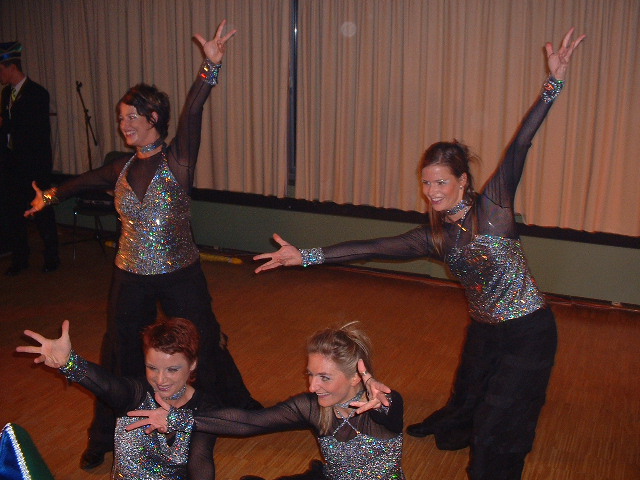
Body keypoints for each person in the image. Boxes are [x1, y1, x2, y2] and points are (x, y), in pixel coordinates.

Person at [251, 29, 585, 480]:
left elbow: (519, 145)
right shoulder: (436, 236)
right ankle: (454, 426)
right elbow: (371, 248)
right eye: (426, 183)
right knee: (469, 389)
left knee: (501, 423)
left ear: (463, 181)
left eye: (441, 182)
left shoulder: (494, 211)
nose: (432, 192)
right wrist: (305, 256)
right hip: (485, 326)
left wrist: (553, 83)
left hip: (528, 329)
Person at [24, 20, 260, 470]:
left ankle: (217, 415)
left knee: (204, 341)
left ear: (154, 119)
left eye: (132, 116)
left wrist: (209, 68)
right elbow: (80, 181)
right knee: (120, 351)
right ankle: (105, 435)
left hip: (180, 271)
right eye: (121, 117)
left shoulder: (178, 161)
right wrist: (49, 197)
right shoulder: (120, 166)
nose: (124, 124)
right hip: (130, 273)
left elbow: (193, 113)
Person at [128, 322, 405, 480]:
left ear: (355, 377)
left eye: (324, 378)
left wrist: (386, 400)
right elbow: (249, 422)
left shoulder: (382, 406)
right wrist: (177, 418)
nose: (312, 386)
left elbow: (390, 410)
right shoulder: (312, 406)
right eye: (310, 375)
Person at [16, 317, 221, 480]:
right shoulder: (135, 394)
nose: (160, 380)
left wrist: (179, 419)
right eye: (152, 367)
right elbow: (106, 385)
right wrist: (69, 362)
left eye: (172, 369)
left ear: (193, 364)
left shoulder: (203, 407)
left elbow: (201, 461)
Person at [0, 41, 59, 275]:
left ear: (11, 67)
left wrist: (6, 123)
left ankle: (52, 257)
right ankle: (20, 259)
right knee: (14, 213)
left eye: (1, 69)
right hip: (12, 165)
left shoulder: (38, 93)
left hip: (34, 165)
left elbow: (33, 131)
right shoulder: (6, 94)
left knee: (43, 212)